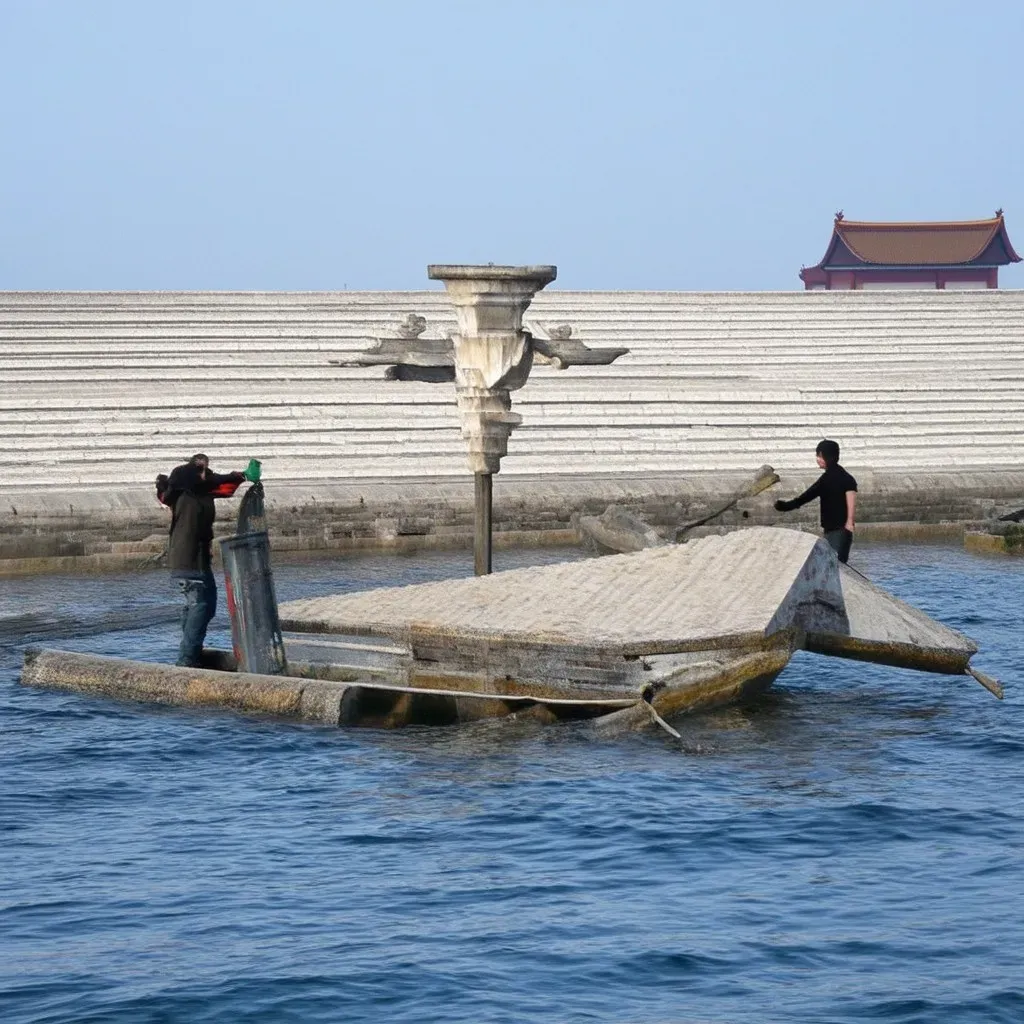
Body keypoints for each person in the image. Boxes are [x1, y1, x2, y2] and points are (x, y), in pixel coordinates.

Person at [158, 453, 247, 667]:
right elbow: (209, 480)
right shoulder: (186, 489)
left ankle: (191, 653)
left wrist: (242, 477)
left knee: (199, 606)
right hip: (191, 560)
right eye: (203, 469)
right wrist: (239, 475)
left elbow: (224, 487)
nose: (207, 473)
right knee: (200, 606)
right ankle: (187, 658)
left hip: (191, 561)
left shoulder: (193, 492)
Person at [773, 439, 857, 563]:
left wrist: (785, 506)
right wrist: (850, 523)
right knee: (838, 562)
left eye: (819, 456)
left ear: (827, 457)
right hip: (841, 529)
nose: (817, 459)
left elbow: (805, 497)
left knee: (833, 563)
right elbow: (851, 498)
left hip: (837, 530)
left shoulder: (827, 479)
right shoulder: (847, 477)